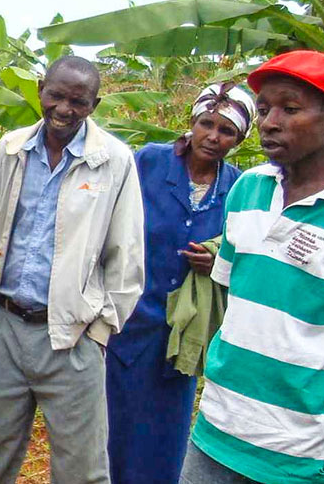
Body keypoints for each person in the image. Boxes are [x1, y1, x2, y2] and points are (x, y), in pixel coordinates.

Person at [179, 50, 324, 484]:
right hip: (216, 435)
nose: (269, 121)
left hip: (305, 456)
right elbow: (237, 302)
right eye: (263, 109)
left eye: (290, 109)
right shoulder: (248, 189)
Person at [0, 55, 145, 484]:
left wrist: (99, 332)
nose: (64, 109)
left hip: (71, 338)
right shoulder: (8, 150)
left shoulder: (114, 161)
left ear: (94, 105)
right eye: (56, 96)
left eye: (78, 101)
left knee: (81, 471)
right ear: (41, 89)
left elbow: (127, 253)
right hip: (3, 329)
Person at [106, 82, 255, 484]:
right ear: (192, 123)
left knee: (165, 434)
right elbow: (110, 221)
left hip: (182, 333)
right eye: (206, 124)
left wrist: (220, 259)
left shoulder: (238, 187)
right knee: (110, 428)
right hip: (128, 321)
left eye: (226, 131)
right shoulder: (149, 162)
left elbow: (247, 247)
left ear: (239, 139)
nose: (213, 136)